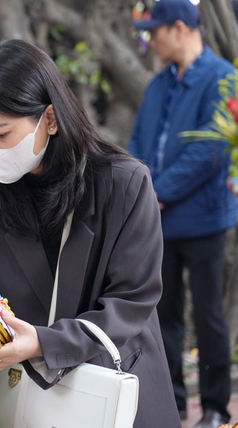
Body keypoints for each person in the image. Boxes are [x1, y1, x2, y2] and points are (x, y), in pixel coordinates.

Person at [0, 39, 181, 427]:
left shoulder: (124, 184)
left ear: (50, 118)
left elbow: (132, 299)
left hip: (119, 385)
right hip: (37, 393)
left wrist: (46, 343)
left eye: (1, 134)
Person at [128, 1, 237, 426]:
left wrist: (155, 191)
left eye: (155, 31)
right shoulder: (157, 86)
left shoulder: (223, 77)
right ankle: (171, 402)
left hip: (204, 220)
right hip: (159, 223)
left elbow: (210, 150)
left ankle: (214, 407)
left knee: (208, 314)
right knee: (162, 316)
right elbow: (137, 143)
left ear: (179, 29)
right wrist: (140, 193)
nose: (151, 39)